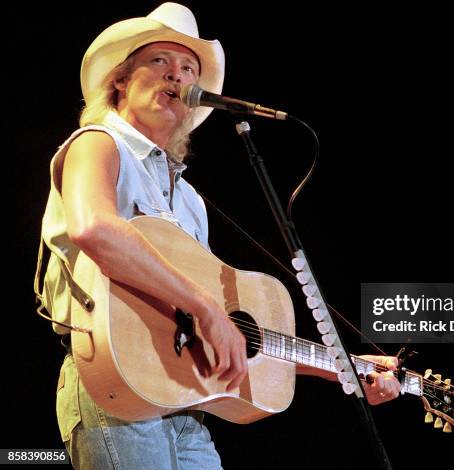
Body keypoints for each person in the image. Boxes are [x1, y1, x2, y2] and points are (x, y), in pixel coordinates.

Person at [36, 3, 401, 468]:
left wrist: (344, 368)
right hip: (117, 393)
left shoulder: (189, 199)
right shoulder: (97, 143)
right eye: (159, 61)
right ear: (121, 81)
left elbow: (222, 328)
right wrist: (205, 308)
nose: (176, 75)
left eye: (188, 68)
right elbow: (95, 228)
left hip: (185, 404)